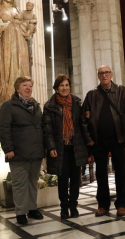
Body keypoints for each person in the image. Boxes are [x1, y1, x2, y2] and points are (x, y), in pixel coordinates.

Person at [82, 65, 125, 217]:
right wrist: (88, 140)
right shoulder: (92, 95)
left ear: (111, 74)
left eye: (107, 72)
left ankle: (121, 204)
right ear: (98, 76)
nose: (104, 75)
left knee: (120, 172)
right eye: (101, 73)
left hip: (118, 138)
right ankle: (103, 205)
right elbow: (84, 120)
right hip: (98, 140)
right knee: (101, 174)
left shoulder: (121, 91)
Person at [0, 76, 45, 225]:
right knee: (19, 184)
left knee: (32, 181)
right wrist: (8, 149)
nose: (28, 88)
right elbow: (3, 129)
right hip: (18, 152)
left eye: (30, 85)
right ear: (17, 88)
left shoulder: (36, 105)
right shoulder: (9, 105)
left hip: (36, 151)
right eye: (25, 85)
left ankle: (32, 209)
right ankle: (20, 212)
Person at [42, 74, 89, 219]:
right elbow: (47, 129)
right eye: (61, 85)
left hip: (76, 146)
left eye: (67, 85)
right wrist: (51, 147)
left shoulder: (76, 102)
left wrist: (89, 143)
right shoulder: (50, 106)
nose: (64, 88)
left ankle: (73, 206)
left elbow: (82, 125)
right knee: (62, 180)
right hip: (60, 147)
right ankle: (64, 208)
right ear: (56, 88)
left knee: (75, 179)